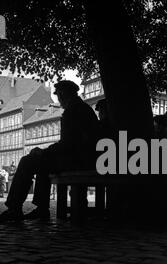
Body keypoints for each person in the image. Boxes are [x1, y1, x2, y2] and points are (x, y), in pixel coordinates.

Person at [0, 80, 99, 222]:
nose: (59, 100)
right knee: (43, 164)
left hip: (79, 159)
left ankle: (15, 208)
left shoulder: (74, 111)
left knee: (27, 161)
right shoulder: (80, 108)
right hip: (83, 157)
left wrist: (43, 152)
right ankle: (41, 208)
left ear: (64, 94)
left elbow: (68, 143)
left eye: (59, 96)